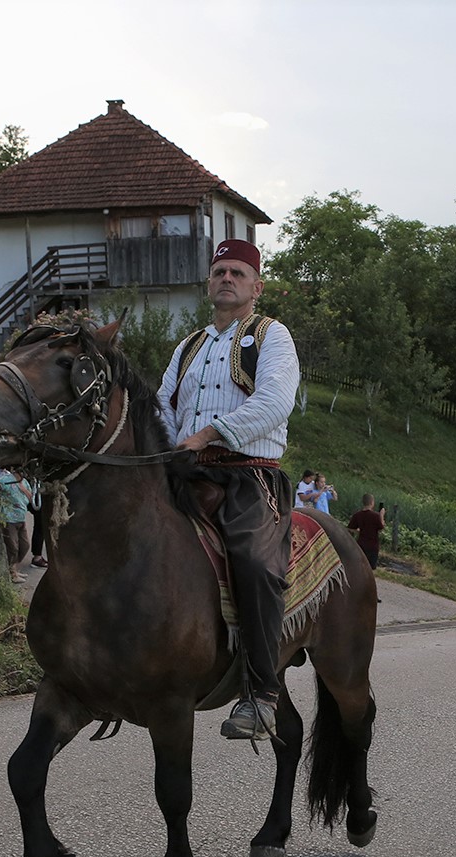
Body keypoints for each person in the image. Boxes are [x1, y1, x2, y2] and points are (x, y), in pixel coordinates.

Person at [157, 238, 299, 741]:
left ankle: (262, 693)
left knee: (256, 563)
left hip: (248, 473)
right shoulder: (189, 344)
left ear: (256, 287)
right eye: (219, 271)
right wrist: (171, 444)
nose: (227, 279)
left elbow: (275, 401)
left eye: (238, 272)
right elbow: (162, 403)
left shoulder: (272, 335)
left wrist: (208, 434)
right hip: (187, 470)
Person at [0, 468, 34, 583]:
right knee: (13, 547)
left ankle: (13, 569)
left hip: (21, 518)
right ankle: (12, 573)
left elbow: (31, 498)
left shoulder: (24, 482)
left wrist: (23, 489)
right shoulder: (6, 479)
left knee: (25, 546)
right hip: (9, 519)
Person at [347, 494, 386, 570]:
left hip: (361, 544)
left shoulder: (357, 515)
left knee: (359, 567)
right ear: (372, 503)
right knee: (370, 569)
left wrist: (358, 530)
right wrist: (381, 516)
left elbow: (350, 528)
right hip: (372, 546)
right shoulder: (375, 516)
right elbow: (381, 527)